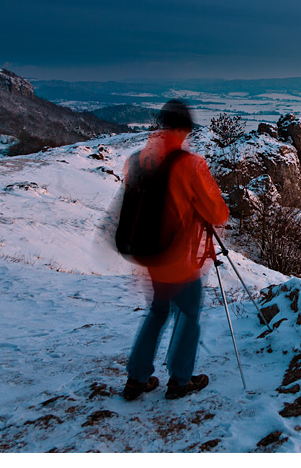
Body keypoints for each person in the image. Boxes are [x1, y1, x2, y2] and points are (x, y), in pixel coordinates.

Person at [121, 99, 229, 400]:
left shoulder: (137, 159)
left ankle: (136, 379)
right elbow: (218, 213)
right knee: (190, 314)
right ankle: (180, 380)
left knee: (157, 311)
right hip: (179, 259)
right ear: (184, 129)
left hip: (150, 256)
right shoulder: (190, 165)